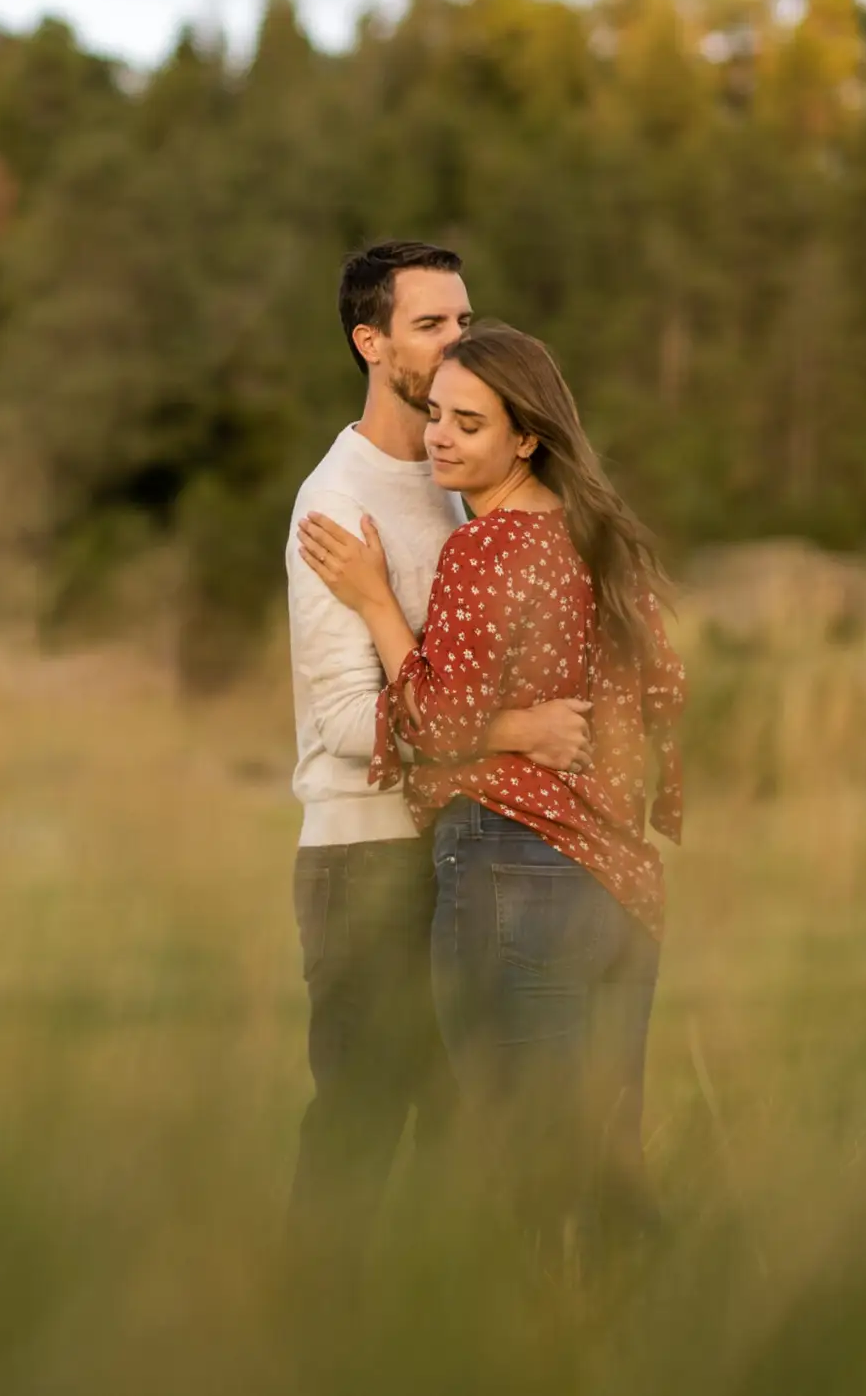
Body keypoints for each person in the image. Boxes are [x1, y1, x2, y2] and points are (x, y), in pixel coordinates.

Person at [296, 321, 684, 1268]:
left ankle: (530, 1347)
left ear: (525, 439)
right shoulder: (600, 545)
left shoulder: (487, 551)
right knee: (607, 1163)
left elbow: (423, 721)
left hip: (509, 866)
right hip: (620, 890)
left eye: (469, 424)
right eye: (436, 415)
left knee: (520, 1162)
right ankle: (649, 1335)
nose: (439, 437)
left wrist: (379, 600)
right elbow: (657, 704)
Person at [282, 246, 594, 1298]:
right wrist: (519, 730)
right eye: (430, 325)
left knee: (469, 1123)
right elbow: (337, 723)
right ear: (370, 343)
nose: (457, 341)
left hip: (460, 848)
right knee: (365, 1123)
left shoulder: (457, 470)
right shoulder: (335, 501)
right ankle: (304, 1335)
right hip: (364, 855)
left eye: (464, 319)